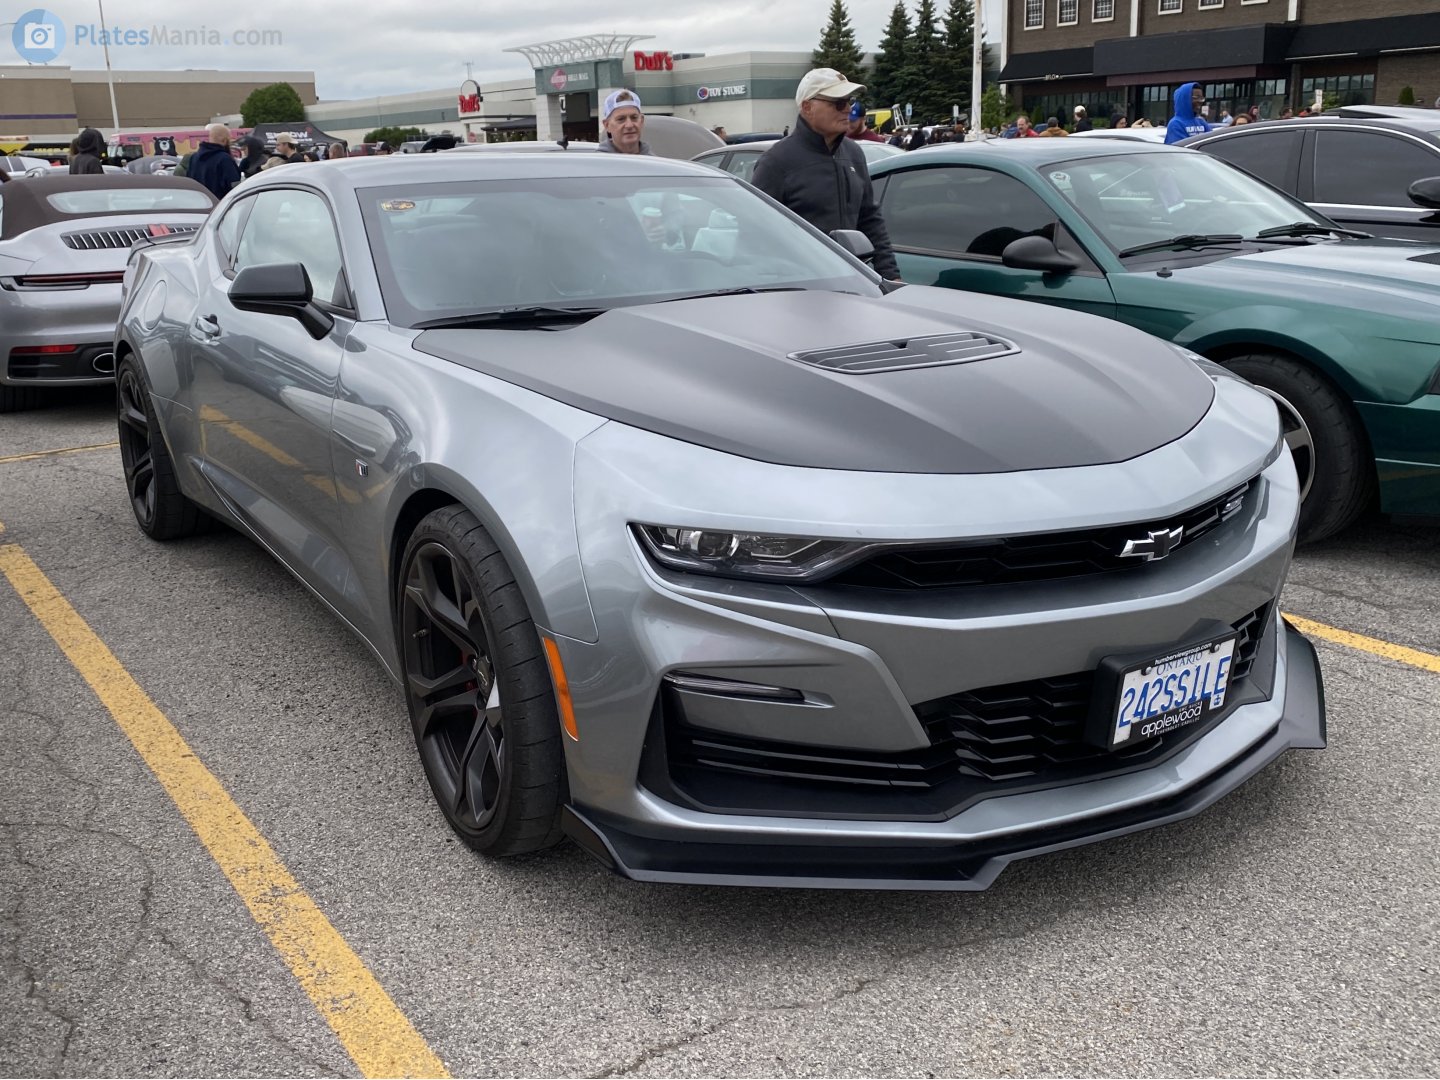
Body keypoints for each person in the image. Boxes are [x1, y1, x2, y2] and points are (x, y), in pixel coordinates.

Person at [751, 67, 900, 280]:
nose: (848, 109)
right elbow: (757, 235)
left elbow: (870, 218)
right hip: (801, 290)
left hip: (854, 282)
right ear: (807, 107)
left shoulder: (853, 153)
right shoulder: (776, 162)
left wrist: (890, 275)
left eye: (850, 101)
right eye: (839, 103)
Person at [185, 122, 242, 200]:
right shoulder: (225, 159)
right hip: (220, 205)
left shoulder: (194, 157)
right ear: (225, 140)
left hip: (199, 203)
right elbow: (234, 185)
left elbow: (189, 182)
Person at [597, 89, 651, 154]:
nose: (629, 125)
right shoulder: (597, 163)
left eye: (634, 118)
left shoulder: (655, 162)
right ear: (607, 125)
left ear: (642, 121)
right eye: (621, 119)